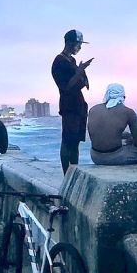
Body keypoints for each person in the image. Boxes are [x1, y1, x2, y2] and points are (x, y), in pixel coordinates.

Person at [52, 29, 93, 174]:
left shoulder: (72, 60)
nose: (79, 47)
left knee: (75, 141)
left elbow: (80, 81)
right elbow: (66, 87)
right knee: (67, 140)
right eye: (78, 44)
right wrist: (80, 71)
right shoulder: (59, 61)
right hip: (69, 106)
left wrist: (82, 72)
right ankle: (67, 175)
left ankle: (74, 172)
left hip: (78, 105)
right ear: (69, 43)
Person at [88, 83, 137, 165]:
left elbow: (102, 133)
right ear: (123, 97)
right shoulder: (128, 112)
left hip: (95, 157)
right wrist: (132, 139)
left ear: (107, 95)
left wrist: (125, 135)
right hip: (114, 158)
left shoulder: (93, 109)